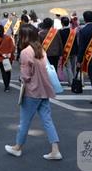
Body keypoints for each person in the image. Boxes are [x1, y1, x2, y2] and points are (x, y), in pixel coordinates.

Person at [4, 24, 62, 160]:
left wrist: (21, 78)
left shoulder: (25, 52)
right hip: (44, 90)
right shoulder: (41, 50)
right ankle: (55, 150)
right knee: (47, 120)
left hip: (32, 91)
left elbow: (25, 76)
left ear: (24, 37)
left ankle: (17, 147)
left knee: (24, 121)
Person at [0, 24, 15, 92]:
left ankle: (6, 86)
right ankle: (7, 84)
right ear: (3, 30)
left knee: (3, 72)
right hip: (9, 58)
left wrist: (2, 54)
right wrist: (9, 53)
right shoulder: (8, 38)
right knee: (8, 71)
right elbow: (12, 47)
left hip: (1, 58)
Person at [58, 16, 78, 85]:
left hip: (65, 52)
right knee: (73, 67)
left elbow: (60, 43)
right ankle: (75, 80)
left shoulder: (60, 32)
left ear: (62, 23)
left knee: (68, 67)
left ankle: (71, 82)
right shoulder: (73, 31)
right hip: (74, 51)